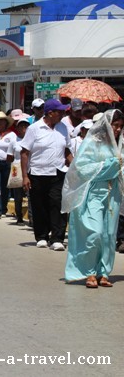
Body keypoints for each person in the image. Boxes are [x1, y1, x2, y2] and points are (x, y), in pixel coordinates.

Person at [62, 109, 124, 288]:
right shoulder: (92, 143)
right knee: (94, 232)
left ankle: (103, 272)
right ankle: (88, 271)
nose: (118, 130)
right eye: (115, 126)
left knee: (109, 234)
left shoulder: (120, 145)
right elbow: (81, 168)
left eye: (121, 127)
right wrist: (109, 166)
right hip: (93, 193)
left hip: (113, 194)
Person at [21, 99, 73, 251]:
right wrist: (25, 176)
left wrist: (75, 165)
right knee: (40, 205)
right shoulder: (34, 128)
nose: (63, 114)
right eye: (60, 111)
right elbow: (24, 153)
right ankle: (42, 236)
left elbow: (67, 150)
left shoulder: (63, 128)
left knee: (58, 204)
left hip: (58, 172)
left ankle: (57, 238)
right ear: (50, 113)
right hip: (37, 173)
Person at [6, 116, 30, 225]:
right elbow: (9, 156)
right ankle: (19, 216)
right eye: (21, 126)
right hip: (17, 166)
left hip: (29, 167)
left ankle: (32, 218)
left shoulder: (32, 140)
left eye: (26, 126)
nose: (23, 128)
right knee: (18, 195)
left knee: (30, 194)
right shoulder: (14, 140)